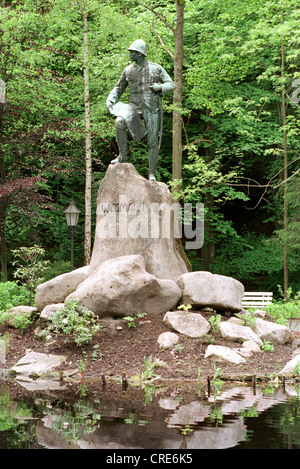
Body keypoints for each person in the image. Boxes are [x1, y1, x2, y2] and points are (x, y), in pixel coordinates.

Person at [106, 39, 174, 181]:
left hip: (151, 106)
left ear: (140, 54)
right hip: (133, 106)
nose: (130, 54)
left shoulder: (156, 68)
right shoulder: (128, 70)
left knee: (153, 139)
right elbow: (119, 87)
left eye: (133, 52)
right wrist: (111, 99)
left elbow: (171, 84)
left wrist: (160, 87)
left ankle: (151, 172)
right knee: (119, 122)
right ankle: (123, 155)